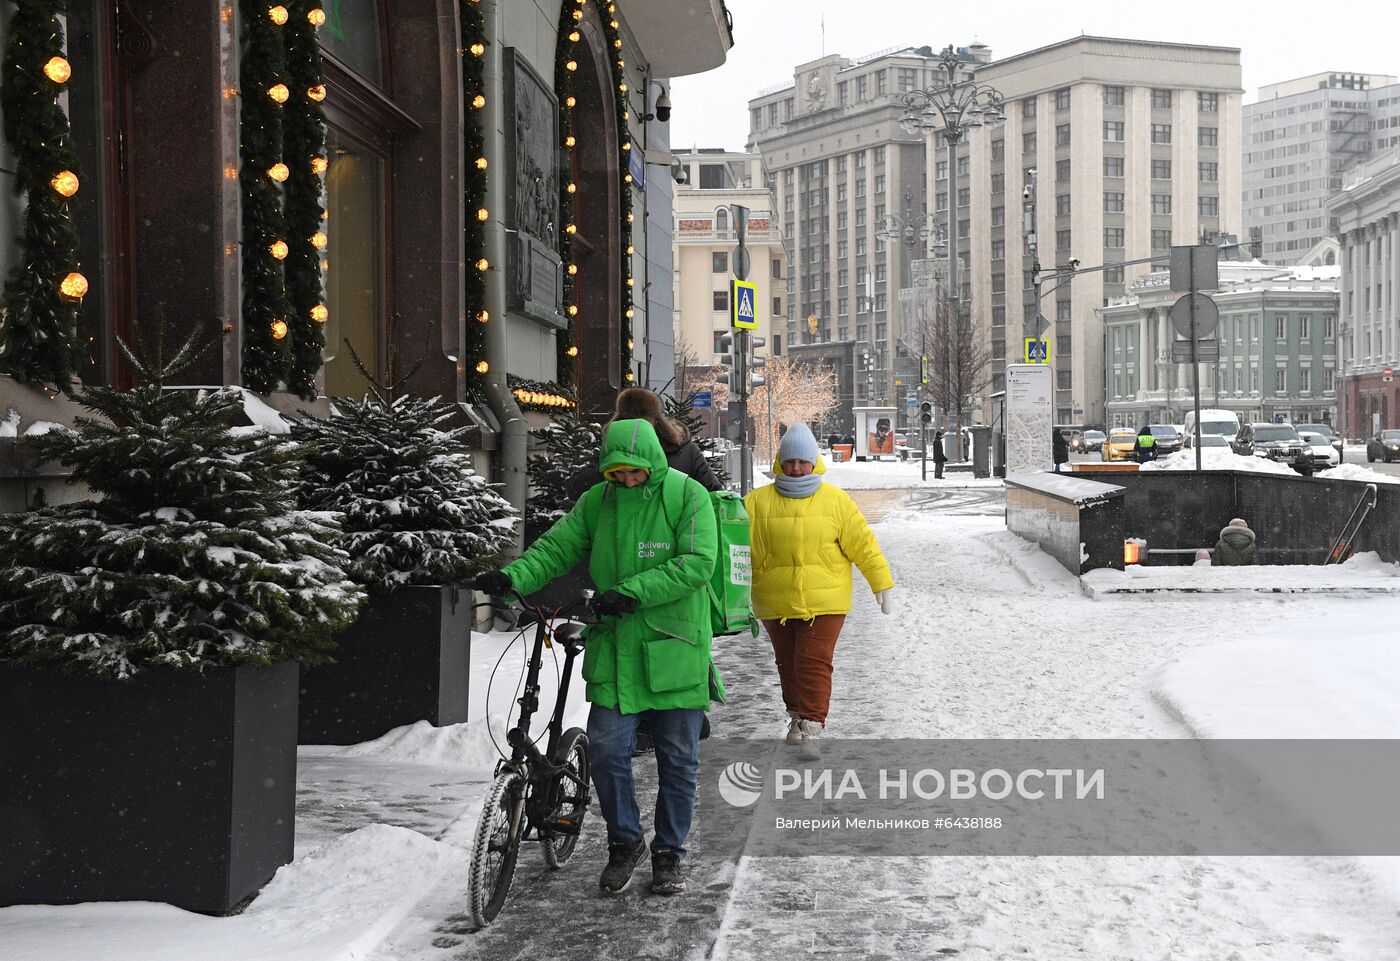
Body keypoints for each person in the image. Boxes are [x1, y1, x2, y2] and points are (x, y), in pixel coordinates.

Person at [475, 419, 717, 897]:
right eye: (618, 472)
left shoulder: (688, 496)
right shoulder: (596, 502)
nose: (627, 480)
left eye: (636, 472)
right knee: (606, 753)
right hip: (615, 648)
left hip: (675, 647)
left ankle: (670, 853)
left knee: (678, 759)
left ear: (653, 461)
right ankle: (626, 842)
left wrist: (631, 592)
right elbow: (556, 548)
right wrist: (514, 577)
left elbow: (698, 561)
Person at [744, 423, 893, 762]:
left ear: (815, 463)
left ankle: (813, 726)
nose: (796, 469)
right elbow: (734, 551)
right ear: (780, 463)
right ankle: (797, 715)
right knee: (788, 662)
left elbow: (863, 545)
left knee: (813, 661)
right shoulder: (755, 504)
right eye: (790, 462)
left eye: (803, 462)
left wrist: (880, 582)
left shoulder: (836, 502)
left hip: (825, 600)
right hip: (774, 599)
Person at [570, 387, 723, 496]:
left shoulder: (685, 452)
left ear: (655, 422)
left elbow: (715, 495)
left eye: (642, 423)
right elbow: (577, 490)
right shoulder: (611, 451)